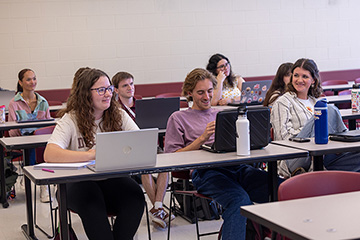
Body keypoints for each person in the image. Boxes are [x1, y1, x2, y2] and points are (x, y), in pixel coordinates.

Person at [165, 68, 278, 239]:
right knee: (239, 200)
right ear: (189, 93)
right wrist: (202, 139)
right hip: (206, 173)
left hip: (237, 168)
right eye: (200, 92)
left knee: (281, 189)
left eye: (210, 91)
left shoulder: (222, 113)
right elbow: (172, 156)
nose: (207, 96)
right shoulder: (178, 118)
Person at [44, 68, 145, 240]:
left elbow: (140, 142)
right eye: (100, 90)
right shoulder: (70, 119)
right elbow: (50, 154)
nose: (107, 94)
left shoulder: (118, 114)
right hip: (77, 183)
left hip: (110, 178)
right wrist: (91, 155)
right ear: (85, 93)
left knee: (135, 196)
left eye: (109, 89)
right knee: (91, 199)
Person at [271, 58, 360, 177]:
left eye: (305, 77)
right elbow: (282, 139)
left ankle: (341, 149)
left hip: (321, 155)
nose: (299, 80)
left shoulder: (315, 101)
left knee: (328, 109)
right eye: (296, 75)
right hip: (294, 157)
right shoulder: (282, 102)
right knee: (327, 110)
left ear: (313, 80)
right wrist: (312, 130)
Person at [112, 71, 174, 229]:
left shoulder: (142, 105)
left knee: (164, 164)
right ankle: (159, 208)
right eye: (125, 85)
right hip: (129, 149)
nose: (130, 88)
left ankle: (157, 208)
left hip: (151, 144)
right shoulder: (113, 110)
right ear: (116, 90)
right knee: (146, 167)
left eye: (131, 84)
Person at [8, 68, 52, 203]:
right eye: (28, 79)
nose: (32, 82)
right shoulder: (14, 103)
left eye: (34, 78)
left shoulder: (43, 102)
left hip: (40, 137)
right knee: (31, 147)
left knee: (43, 148)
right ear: (21, 82)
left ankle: (42, 185)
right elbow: (12, 129)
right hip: (24, 138)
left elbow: (48, 124)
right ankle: (30, 175)